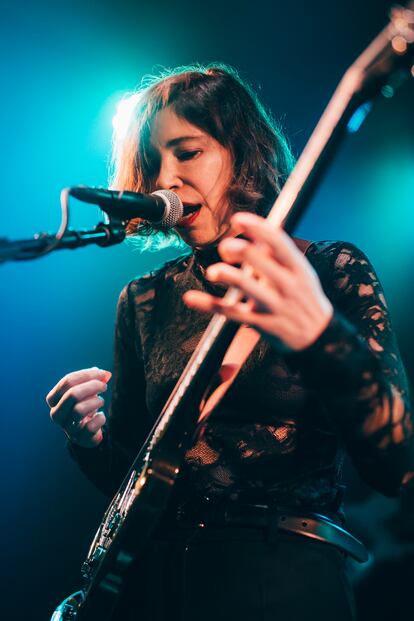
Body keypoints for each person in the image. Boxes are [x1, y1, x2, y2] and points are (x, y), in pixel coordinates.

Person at [46, 65, 413, 621]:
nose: (164, 178)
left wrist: (321, 337)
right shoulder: (143, 299)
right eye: (152, 163)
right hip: (160, 585)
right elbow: (135, 487)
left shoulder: (330, 269)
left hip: (283, 577)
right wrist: (88, 440)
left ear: (242, 152)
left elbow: (395, 465)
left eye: (187, 153)